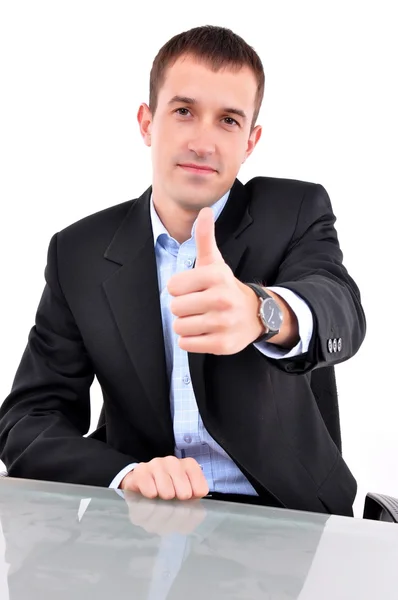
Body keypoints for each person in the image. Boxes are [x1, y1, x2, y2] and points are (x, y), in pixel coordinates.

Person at [0, 25, 366, 516]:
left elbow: (338, 305)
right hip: (142, 520)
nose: (203, 142)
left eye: (229, 121)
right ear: (147, 122)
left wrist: (263, 312)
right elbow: (29, 418)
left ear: (251, 140)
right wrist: (126, 474)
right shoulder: (78, 251)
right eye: (184, 112)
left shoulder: (294, 209)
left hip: (288, 515)